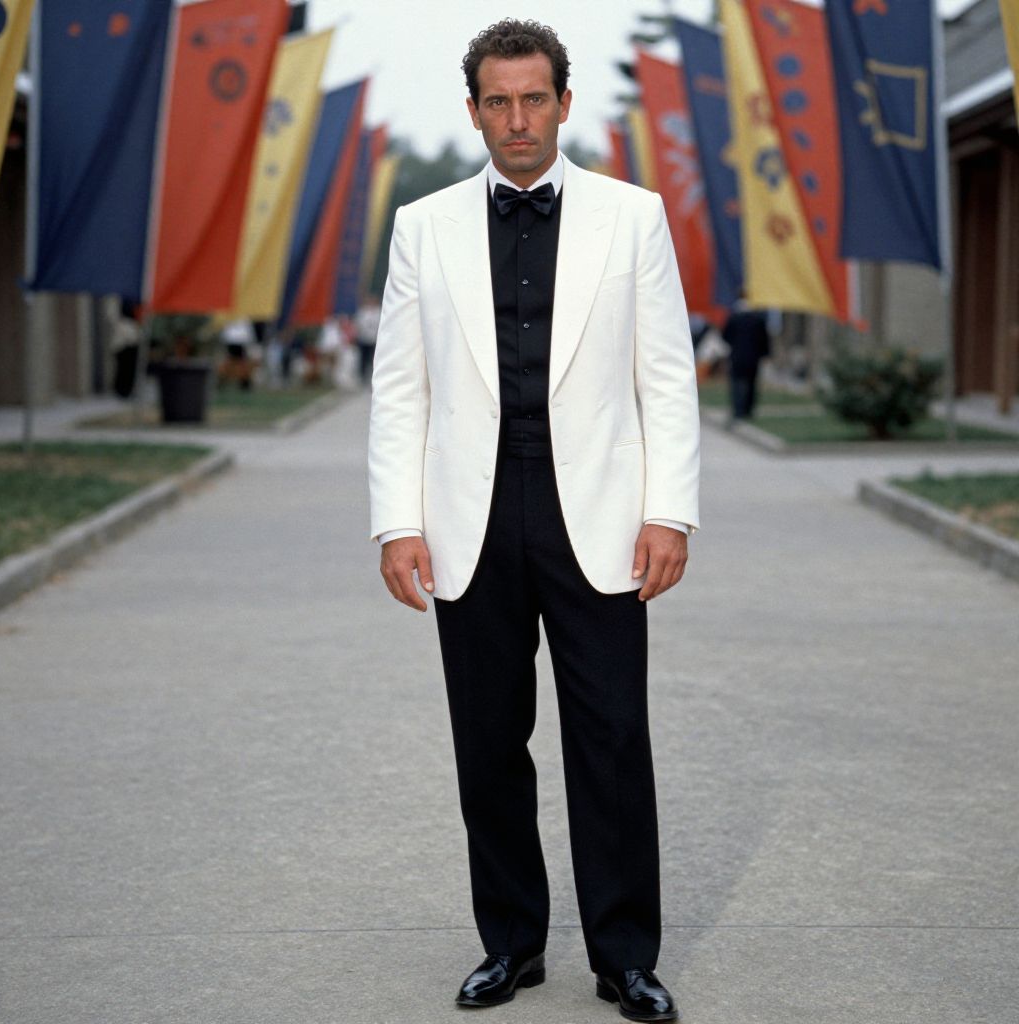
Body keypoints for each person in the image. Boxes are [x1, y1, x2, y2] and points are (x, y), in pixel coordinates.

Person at [367, 19, 699, 1023]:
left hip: (594, 514)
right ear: (474, 110)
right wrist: (396, 523)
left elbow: (666, 377)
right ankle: (510, 945)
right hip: (469, 519)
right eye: (496, 102)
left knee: (610, 738)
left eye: (532, 98)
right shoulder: (422, 226)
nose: (516, 119)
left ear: (562, 101)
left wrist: (668, 511)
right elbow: (398, 389)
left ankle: (624, 956)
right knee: (487, 742)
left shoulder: (632, 217)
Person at [721, 296, 771, 420]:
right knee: (751, 384)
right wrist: (765, 354)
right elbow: (764, 340)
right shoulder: (758, 320)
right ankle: (748, 410)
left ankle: (738, 410)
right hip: (753, 358)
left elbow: (725, 335)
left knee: (736, 383)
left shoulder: (734, 318)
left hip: (737, 356)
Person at [352, 294, 382, 385]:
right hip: (364, 339)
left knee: (373, 359)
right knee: (363, 358)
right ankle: (362, 376)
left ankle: (372, 376)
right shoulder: (363, 312)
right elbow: (358, 325)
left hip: (374, 340)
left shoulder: (379, 312)